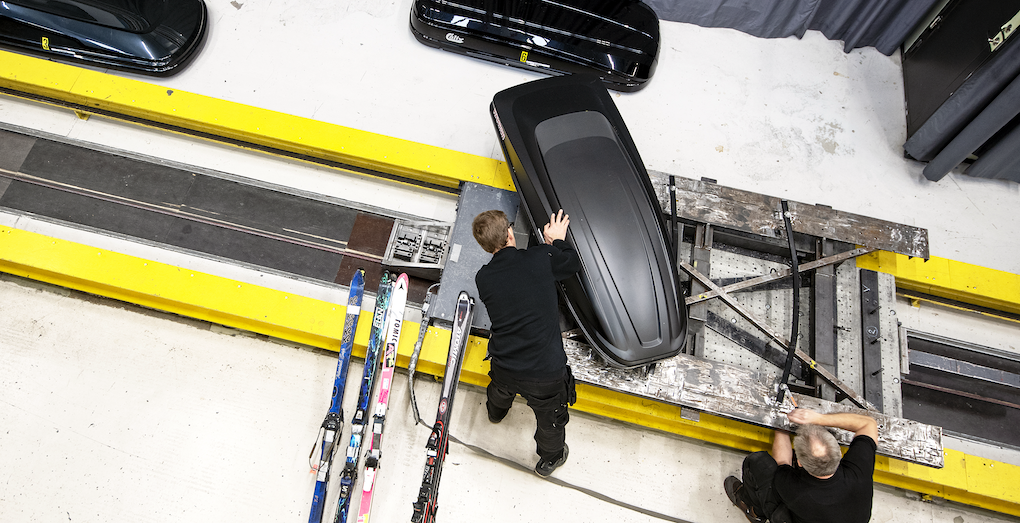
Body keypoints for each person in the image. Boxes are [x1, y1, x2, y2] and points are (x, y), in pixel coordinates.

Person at [472, 208, 581, 477]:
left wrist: (544, 253)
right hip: (544, 374)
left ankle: (495, 413)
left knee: (500, 390)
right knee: (549, 420)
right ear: (510, 233)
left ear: (486, 247)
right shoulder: (542, 258)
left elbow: (518, 281)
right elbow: (570, 264)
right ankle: (550, 458)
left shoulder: (483, 278)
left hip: (505, 365)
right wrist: (555, 242)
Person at [724, 408, 879, 523]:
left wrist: (782, 425)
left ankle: (754, 512)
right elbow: (869, 424)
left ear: (799, 463)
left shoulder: (797, 491)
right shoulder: (859, 471)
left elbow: (782, 463)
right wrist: (819, 419)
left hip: (807, 511)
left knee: (758, 463)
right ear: (838, 453)